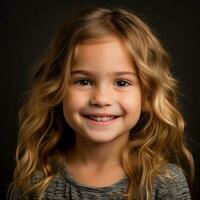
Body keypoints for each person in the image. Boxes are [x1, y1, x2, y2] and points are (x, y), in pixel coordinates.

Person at [8, 7, 194, 200]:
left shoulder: (165, 183)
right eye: (84, 81)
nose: (101, 99)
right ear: (57, 88)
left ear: (148, 96)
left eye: (122, 83)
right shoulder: (35, 183)